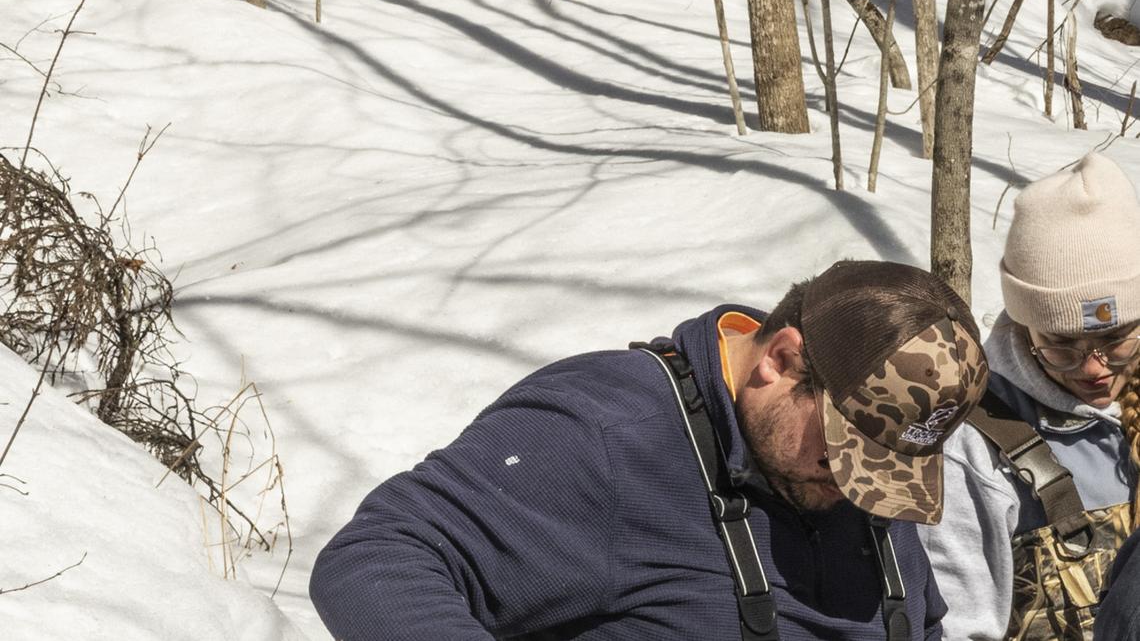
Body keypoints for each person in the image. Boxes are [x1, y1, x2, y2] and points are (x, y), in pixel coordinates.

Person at [310, 259, 988, 641]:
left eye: (888, 468)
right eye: (847, 450)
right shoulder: (607, 433)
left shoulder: (862, 474)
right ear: (781, 360)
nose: (856, 484)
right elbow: (379, 557)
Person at [921, 153, 1140, 641]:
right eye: (1062, 346)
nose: (1093, 368)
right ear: (1024, 325)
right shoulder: (972, 449)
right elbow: (957, 629)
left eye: (1117, 339)